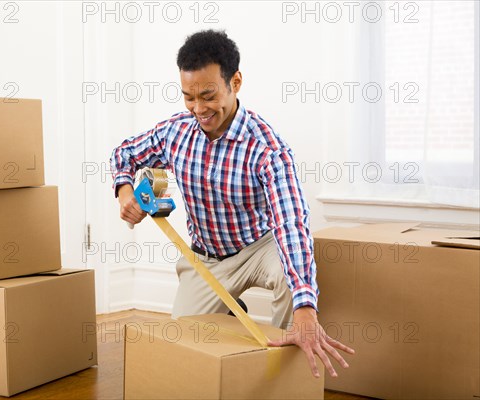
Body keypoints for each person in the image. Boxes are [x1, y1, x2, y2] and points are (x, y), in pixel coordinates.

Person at [110, 29, 354, 378]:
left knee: (292, 278)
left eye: (208, 95)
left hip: (258, 247)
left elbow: (291, 223)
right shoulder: (176, 132)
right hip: (206, 258)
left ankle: (289, 371)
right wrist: (124, 189)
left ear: (235, 82)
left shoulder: (266, 148)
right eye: (188, 97)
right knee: (184, 346)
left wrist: (305, 308)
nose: (198, 109)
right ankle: (226, 309)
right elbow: (124, 153)